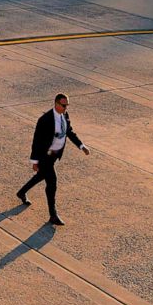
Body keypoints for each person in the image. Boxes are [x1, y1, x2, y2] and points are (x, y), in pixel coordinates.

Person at [16, 94, 90, 226]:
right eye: (63, 105)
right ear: (56, 104)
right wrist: (34, 161)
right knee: (52, 184)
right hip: (46, 155)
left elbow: (69, 132)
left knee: (41, 176)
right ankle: (53, 215)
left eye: (67, 105)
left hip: (55, 154)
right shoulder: (45, 120)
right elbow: (36, 141)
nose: (66, 108)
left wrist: (81, 145)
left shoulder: (64, 116)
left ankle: (21, 192)